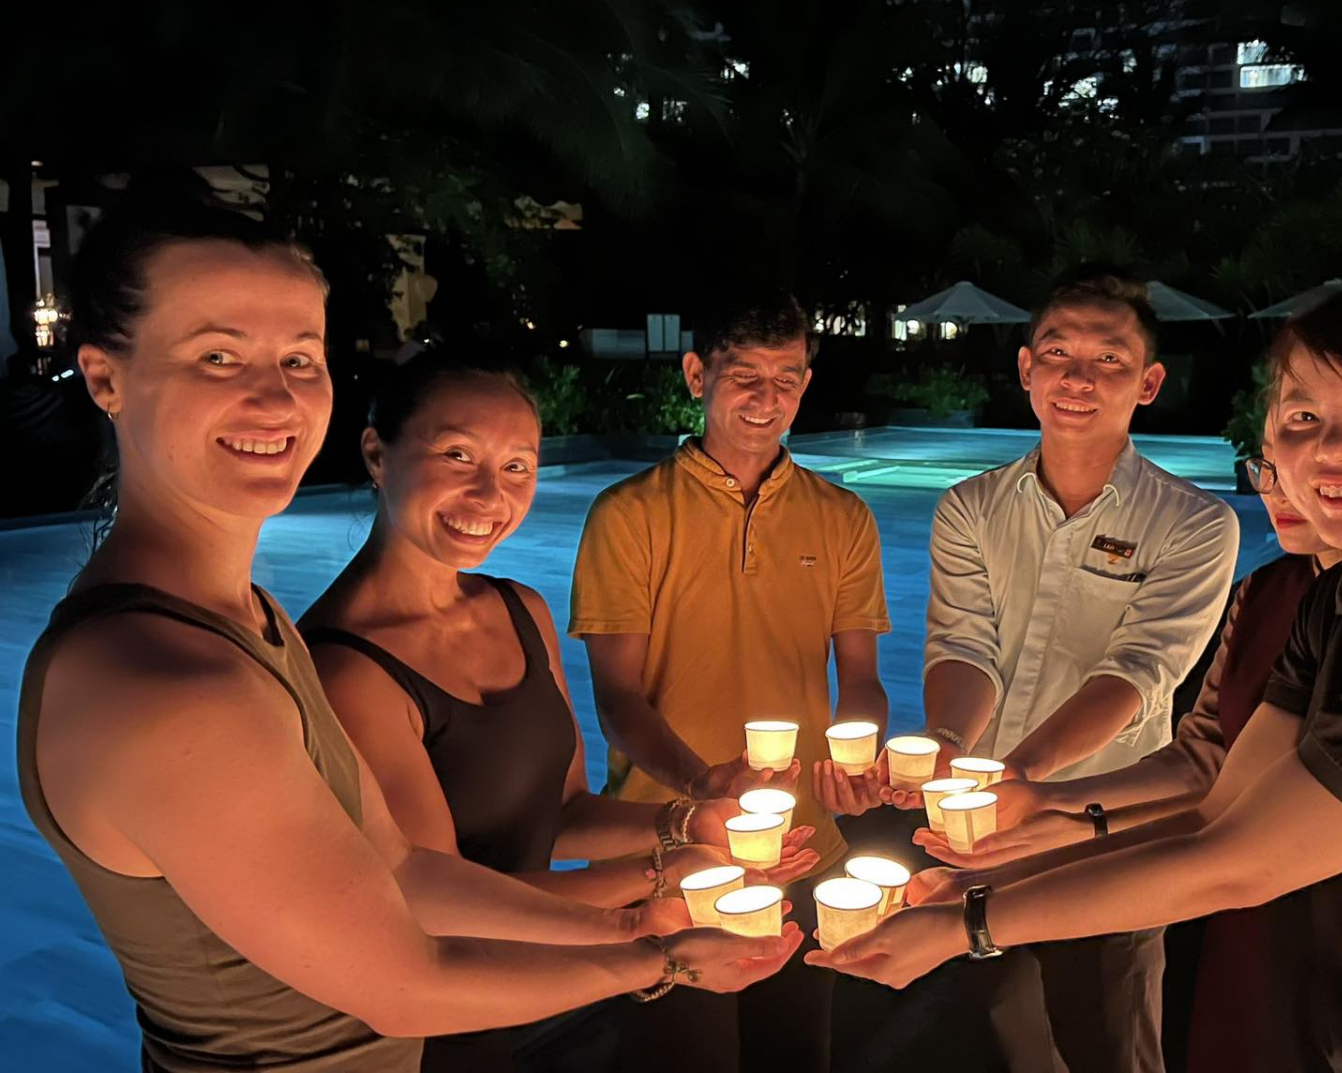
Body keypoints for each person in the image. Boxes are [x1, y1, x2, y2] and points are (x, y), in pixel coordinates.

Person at [15, 200, 798, 1073]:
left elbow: (400, 867)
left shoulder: (249, 620)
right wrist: (662, 960)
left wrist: (632, 911)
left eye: (300, 358)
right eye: (218, 355)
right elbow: (401, 979)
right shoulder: (167, 685)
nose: (274, 396)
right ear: (105, 376)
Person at [818, 280, 1342, 1073]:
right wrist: (1057, 823)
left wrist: (971, 922)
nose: (1332, 449)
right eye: (1304, 416)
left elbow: (1238, 859)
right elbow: (1217, 798)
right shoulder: (1338, 600)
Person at [301, 353, 820, 1071]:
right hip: (417, 1025)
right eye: (458, 454)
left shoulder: (519, 610)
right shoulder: (343, 667)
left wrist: (691, 819)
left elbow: (567, 809)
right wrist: (660, 889)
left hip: (524, 990)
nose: (490, 493)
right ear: (375, 454)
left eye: (518, 466)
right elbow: (434, 900)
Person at [915, 399, 1342, 1073]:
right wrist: (1048, 812)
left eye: (1307, 463)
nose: (1281, 488)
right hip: (1229, 907)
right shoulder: (1272, 591)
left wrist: (975, 919)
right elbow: (1204, 761)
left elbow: (1238, 831)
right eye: (1268, 464)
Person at [901, 268, 1239, 1073]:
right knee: (1010, 1022)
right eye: (1057, 351)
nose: (1077, 377)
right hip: (985, 829)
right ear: (1026, 369)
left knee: (1110, 1032)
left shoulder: (1196, 524)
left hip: (1109, 825)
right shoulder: (970, 507)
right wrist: (947, 741)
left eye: (1109, 360)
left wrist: (1025, 776)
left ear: (1149, 382)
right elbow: (964, 644)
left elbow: (1138, 673)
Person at [569, 289, 891, 1073]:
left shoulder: (842, 517)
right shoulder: (630, 515)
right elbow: (618, 697)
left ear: (807, 383)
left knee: (796, 1051)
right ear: (695, 375)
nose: (767, 397)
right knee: (686, 1054)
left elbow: (861, 678)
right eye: (745, 374)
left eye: (787, 377)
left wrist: (860, 761)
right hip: (671, 851)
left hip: (804, 846)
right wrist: (699, 789)